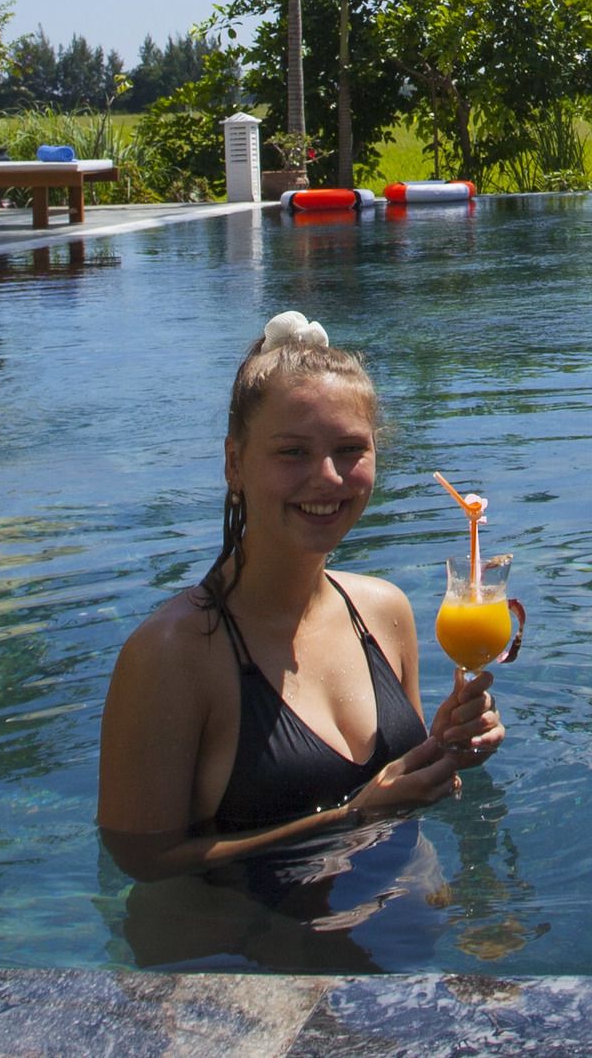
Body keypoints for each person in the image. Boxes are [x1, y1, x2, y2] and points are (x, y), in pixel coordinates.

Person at [97, 310, 505, 890]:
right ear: (234, 463)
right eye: (292, 452)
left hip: (412, 916)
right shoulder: (173, 654)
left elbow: (398, 791)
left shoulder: (384, 612)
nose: (329, 477)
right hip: (250, 943)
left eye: (350, 449)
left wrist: (442, 750)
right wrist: (352, 819)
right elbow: (142, 863)